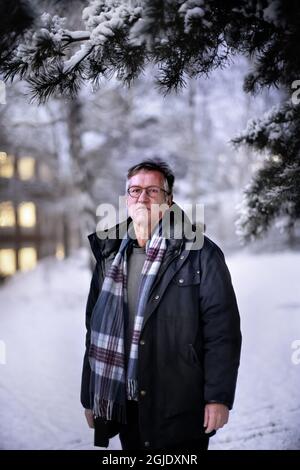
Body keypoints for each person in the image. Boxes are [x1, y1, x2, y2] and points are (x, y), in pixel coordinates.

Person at [80, 159, 242, 451]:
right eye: (135, 190)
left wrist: (218, 398)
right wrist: (90, 395)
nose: (142, 197)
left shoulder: (200, 253)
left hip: (179, 402)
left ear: (168, 201)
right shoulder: (109, 256)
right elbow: (93, 330)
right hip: (125, 402)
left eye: (152, 191)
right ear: (126, 198)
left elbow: (223, 333)